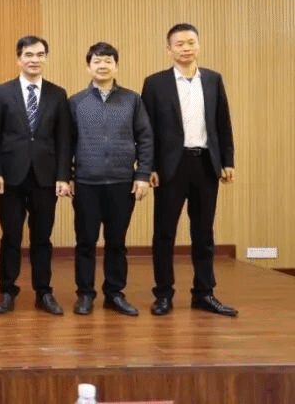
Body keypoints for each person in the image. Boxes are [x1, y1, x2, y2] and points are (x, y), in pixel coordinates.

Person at [143, 23, 237, 317]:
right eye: (179, 44)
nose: (186, 48)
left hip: (206, 164)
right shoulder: (155, 83)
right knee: (164, 233)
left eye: (191, 42)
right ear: (169, 49)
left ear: (198, 45)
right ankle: (163, 294)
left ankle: (204, 293)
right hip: (170, 168)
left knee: (204, 233)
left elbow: (223, 122)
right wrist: (149, 167)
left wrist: (228, 161)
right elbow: (147, 130)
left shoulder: (213, 79)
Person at [67, 42, 153, 317]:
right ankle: (85, 294)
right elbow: (67, 143)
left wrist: (142, 175)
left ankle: (114, 293)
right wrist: (67, 176)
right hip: (86, 184)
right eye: (97, 61)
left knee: (117, 242)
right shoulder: (76, 102)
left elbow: (145, 138)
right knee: (85, 242)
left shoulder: (132, 100)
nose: (102, 66)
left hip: (121, 182)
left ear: (116, 66)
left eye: (108, 61)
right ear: (88, 66)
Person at [0, 36, 72, 316]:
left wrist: (63, 176)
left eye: (39, 54)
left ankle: (43, 291)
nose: (34, 59)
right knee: (11, 236)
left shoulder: (57, 94)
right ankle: (7, 290)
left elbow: (64, 139)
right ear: (18, 59)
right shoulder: (2, 92)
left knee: (42, 237)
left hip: (45, 178)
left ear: (46, 58)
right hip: (10, 177)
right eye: (28, 54)